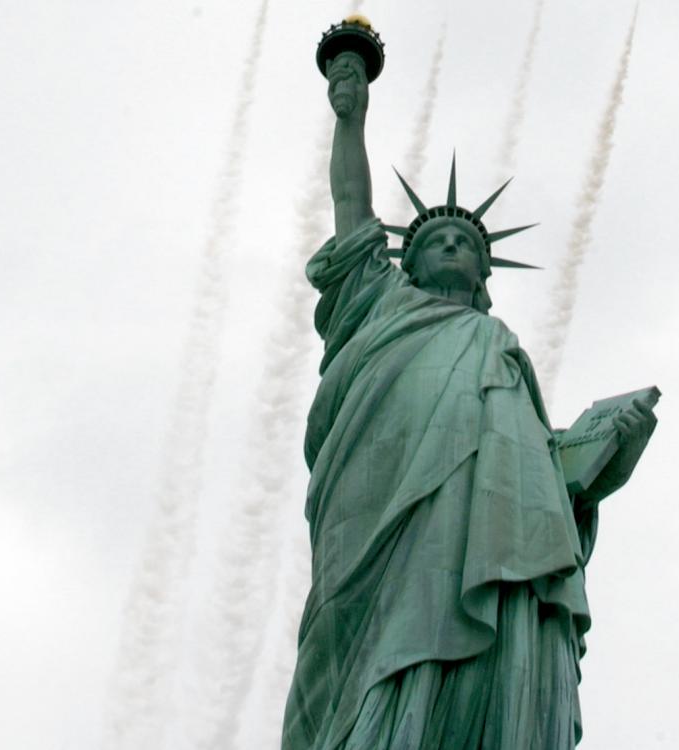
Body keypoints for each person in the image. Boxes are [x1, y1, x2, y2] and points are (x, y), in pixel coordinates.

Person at [282, 49, 657, 750]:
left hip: (497, 536)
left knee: (499, 654)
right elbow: (350, 207)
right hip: (385, 519)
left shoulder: (501, 349)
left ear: (485, 272)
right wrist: (351, 120)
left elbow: (544, 469)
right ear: (407, 260)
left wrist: (604, 456)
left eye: (464, 242)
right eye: (437, 239)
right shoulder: (377, 306)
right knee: (386, 647)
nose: (452, 245)